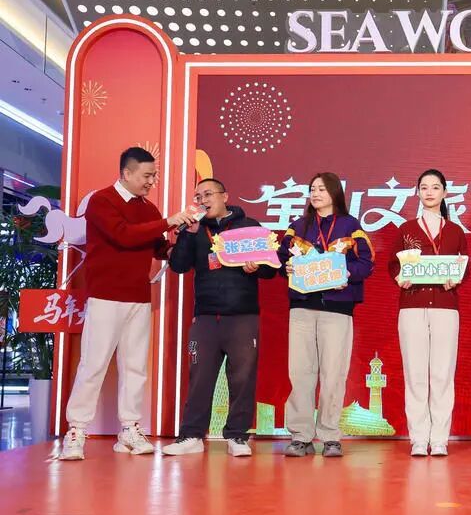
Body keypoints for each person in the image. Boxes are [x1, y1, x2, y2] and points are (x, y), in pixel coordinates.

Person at [59, 147, 198, 461]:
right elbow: (123, 235)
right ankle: (76, 430)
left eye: (154, 176)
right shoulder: (102, 201)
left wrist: (184, 238)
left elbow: (159, 248)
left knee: (135, 367)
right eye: (147, 175)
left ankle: (130, 429)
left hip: (139, 298)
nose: (151, 181)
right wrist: (168, 221)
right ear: (127, 173)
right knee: (93, 364)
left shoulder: (148, 208)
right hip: (105, 297)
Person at [162, 178, 276, 457]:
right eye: (198, 196)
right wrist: (188, 234)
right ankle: (191, 435)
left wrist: (256, 268)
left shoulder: (248, 226)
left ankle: (237, 436)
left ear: (225, 196)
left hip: (242, 316)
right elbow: (178, 265)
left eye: (208, 194)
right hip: (205, 318)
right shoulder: (195, 229)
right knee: (199, 377)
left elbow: (270, 270)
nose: (202, 200)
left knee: (242, 379)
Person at [277, 172, 374, 457]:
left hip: (337, 308)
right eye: (312, 189)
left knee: (334, 373)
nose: (316, 193)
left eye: (321, 189)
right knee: (301, 372)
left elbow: (367, 263)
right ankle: (300, 436)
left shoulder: (350, 226)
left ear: (334, 193)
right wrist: (287, 267)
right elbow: (280, 259)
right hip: (302, 307)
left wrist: (346, 273)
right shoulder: (297, 226)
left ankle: (330, 435)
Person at [388, 169, 468, 457]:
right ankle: (419, 438)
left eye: (435, 187)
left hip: (446, 307)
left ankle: (440, 439)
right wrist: (401, 278)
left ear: (445, 192)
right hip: (412, 306)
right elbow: (393, 265)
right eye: (424, 187)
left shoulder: (455, 231)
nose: (430, 192)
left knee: (443, 374)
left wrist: (455, 279)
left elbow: (464, 266)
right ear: (418, 192)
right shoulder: (406, 229)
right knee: (416, 373)